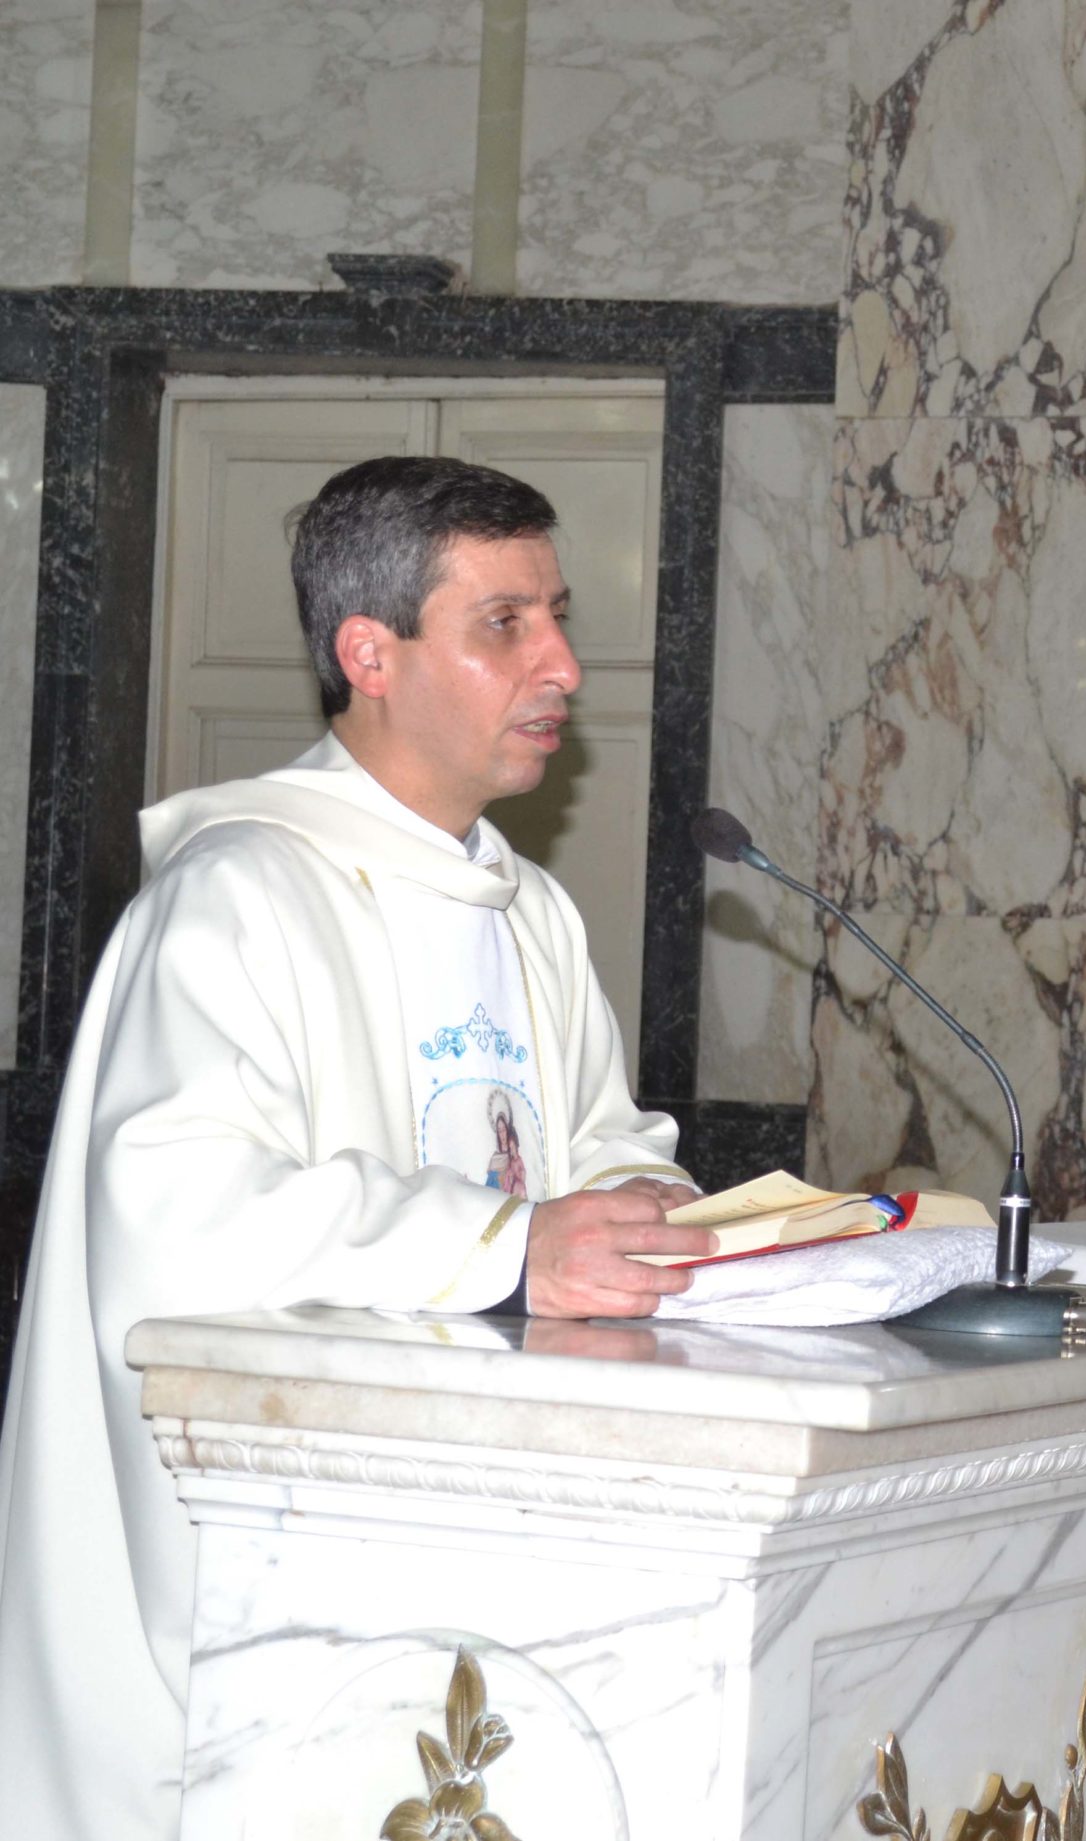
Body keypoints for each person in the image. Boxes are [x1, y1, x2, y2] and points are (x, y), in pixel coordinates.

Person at [0, 456, 722, 1841]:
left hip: (499, 1517)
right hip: (283, 1572)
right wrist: (510, 1245)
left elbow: (598, 1141)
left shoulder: (529, 911)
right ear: (367, 654)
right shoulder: (236, 896)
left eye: (558, 618)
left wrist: (647, 1206)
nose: (564, 665)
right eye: (506, 623)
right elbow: (182, 1207)